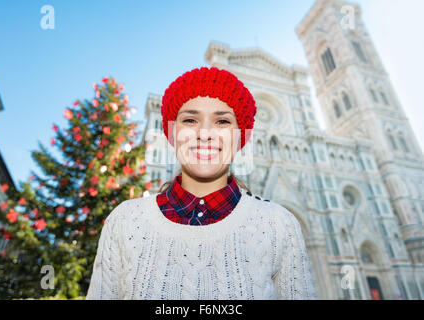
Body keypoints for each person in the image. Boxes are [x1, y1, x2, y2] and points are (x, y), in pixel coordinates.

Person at [86, 66, 318, 300]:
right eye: (190, 120)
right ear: (172, 133)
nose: (205, 133)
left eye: (222, 121)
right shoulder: (125, 221)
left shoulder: (280, 225)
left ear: (241, 136)